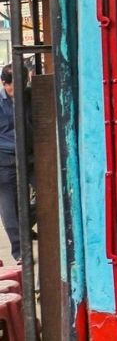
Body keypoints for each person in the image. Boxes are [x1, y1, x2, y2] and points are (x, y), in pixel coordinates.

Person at [0, 64, 29, 263]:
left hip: (30, 155)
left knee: (46, 195)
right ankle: (20, 251)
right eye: (14, 86)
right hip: (5, 158)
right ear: (4, 84)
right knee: (8, 205)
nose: (19, 90)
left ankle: (28, 228)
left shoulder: (29, 96)